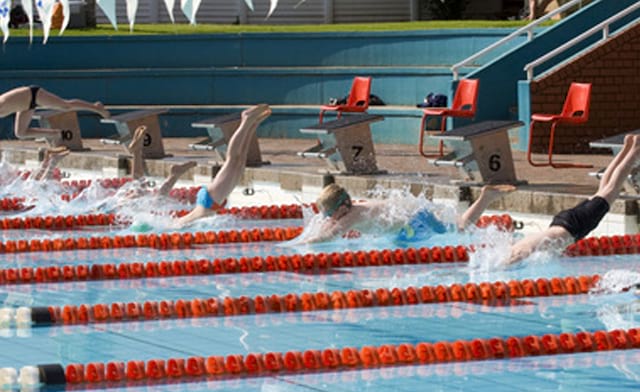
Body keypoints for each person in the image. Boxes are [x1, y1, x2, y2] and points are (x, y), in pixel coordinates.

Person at [508, 134, 640, 264]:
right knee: (603, 190)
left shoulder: (519, 254)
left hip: (573, 227)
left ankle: (634, 151)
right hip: (562, 221)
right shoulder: (514, 247)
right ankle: (626, 148)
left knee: (611, 189)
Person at [303, 182, 515, 244]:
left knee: (461, 229)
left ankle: (485, 198)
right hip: (411, 214)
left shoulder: (352, 216)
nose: (327, 219)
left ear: (341, 209)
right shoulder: (354, 208)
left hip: (416, 218)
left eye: (328, 215)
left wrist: (301, 244)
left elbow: (329, 236)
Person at [175, 103, 271, 227]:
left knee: (232, 160)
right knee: (240, 161)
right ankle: (253, 124)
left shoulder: (174, 226)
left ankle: (246, 121)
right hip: (211, 203)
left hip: (209, 203)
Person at [0, 86, 110, 142]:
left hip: (34, 94)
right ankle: (56, 134)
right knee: (20, 133)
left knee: (65, 106)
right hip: (25, 106)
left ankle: (96, 107)